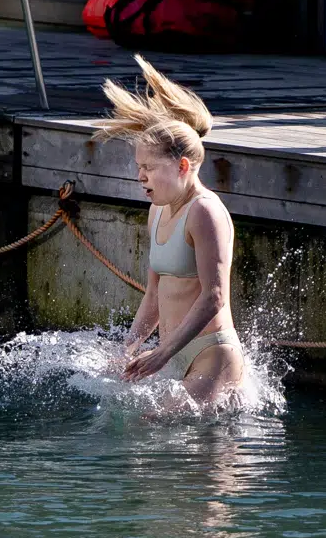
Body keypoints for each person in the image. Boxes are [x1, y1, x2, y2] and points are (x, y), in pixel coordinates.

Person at [96, 55, 245, 405]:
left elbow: (214, 296)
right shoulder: (157, 211)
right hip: (172, 353)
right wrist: (129, 347)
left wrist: (162, 354)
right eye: (138, 167)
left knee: (161, 430)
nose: (140, 176)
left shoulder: (205, 211)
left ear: (181, 166)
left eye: (148, 167)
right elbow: (153, 294)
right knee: (135, 430)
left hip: (211, 353)